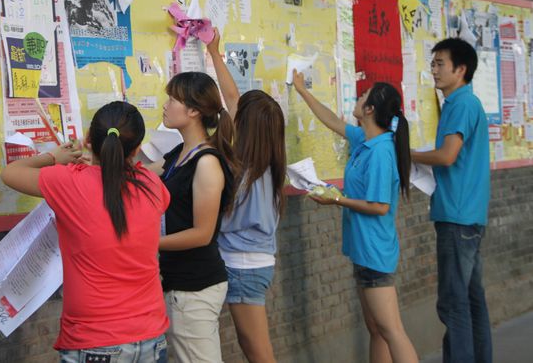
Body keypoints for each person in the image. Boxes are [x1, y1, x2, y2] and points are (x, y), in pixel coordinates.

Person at [1, 101, 170, 363]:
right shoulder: (151, 184)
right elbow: (125, 180)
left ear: (89, 140)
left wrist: (54, 158)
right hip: (151, 337)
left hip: (94, 340)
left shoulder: (68, 182)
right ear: (137, 149)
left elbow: (10, 173)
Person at [293, 71, 418, 363]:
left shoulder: (380, 152)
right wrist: (303, 91)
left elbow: (379, 206)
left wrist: (337, 199)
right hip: (364, 249)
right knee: (376, 329)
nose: (358, 98)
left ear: (370, 109)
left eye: (363, 96)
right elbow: (332, 121)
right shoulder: (365, 139)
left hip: (375, 251)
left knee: (392, 330)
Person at [205, 30, 285, 363]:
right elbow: (232, 95)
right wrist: (214, 52)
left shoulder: (243, 170)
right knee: (254, 348)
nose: (232, 113)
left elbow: (222, 221)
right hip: (254, 263)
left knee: (257, 351)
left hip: (243, 266)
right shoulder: (268, 160)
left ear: (245, 125)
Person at [411, 38, 491, 363]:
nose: (434, 70)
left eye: (440, 63)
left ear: (461, 69)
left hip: (457, 218)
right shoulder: (464, 103)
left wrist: (408, 155)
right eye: (433, 64)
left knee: (453, 304)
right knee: (472, 301)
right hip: (468, 216)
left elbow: (447, 155)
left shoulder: (460, 105)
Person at [157, 71, 237, 363]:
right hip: (179, 282)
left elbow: (202, 234)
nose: (165, 105)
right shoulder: (180, 153)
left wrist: (147, 243)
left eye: (172, 99)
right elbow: (139, 175)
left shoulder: (206, 163)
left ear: (193, 110)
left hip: (194, 286)